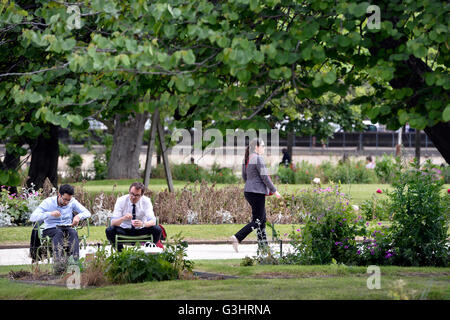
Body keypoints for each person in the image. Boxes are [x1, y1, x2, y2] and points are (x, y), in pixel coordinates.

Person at [230, 138, 281, 252]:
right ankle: (237, 237)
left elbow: (244, 176)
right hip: (256, 192)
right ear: (256, 147)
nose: (263, 148)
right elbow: (265, 177)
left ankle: (263, 247)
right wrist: (274, 190)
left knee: (261, 219)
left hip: (249, 191)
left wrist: (251, 183)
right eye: (262, 146)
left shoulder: (248, 158)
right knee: (258, 220)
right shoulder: (258, 158)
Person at [30, 184, 91, 263]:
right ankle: (58, 262)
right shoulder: (48, 202)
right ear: (59, 195)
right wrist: (50, 214)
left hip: (67, 227)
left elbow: (87, 212)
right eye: (65, 199)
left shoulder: (72, 202)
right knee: (58, 232)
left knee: (73, 232)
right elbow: (33, 217)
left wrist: (78, 216)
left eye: (69, 200)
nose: (67, 202)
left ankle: (74, 261)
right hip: (51, 228)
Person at [106, 182, 162, 251]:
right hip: (124, 229)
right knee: (110, 230)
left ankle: (148, 250)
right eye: (132, 194)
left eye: (137, 195)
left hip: (141, 229)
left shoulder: (146, 201)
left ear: (141, 195)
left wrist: (143, 224)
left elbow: (153, 221)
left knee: (157, 229)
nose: (133, 197)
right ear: (129, 191)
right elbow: (113, 222)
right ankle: (120, 252)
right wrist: (123, 218)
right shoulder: (121, 200)